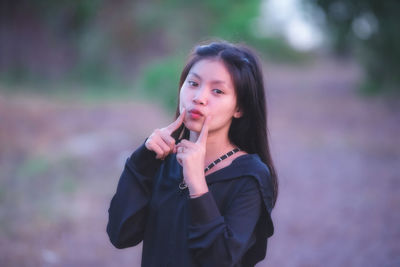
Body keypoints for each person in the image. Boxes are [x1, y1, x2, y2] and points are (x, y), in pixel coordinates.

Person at [106, 40, 278, 267]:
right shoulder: (161, 159)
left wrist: (198, 185)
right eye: (193, 83)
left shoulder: (250, 176)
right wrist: (141, 161)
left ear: (239, 108)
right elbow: (121, 235)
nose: (199, 97)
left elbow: (220, 260)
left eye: (217, 91)